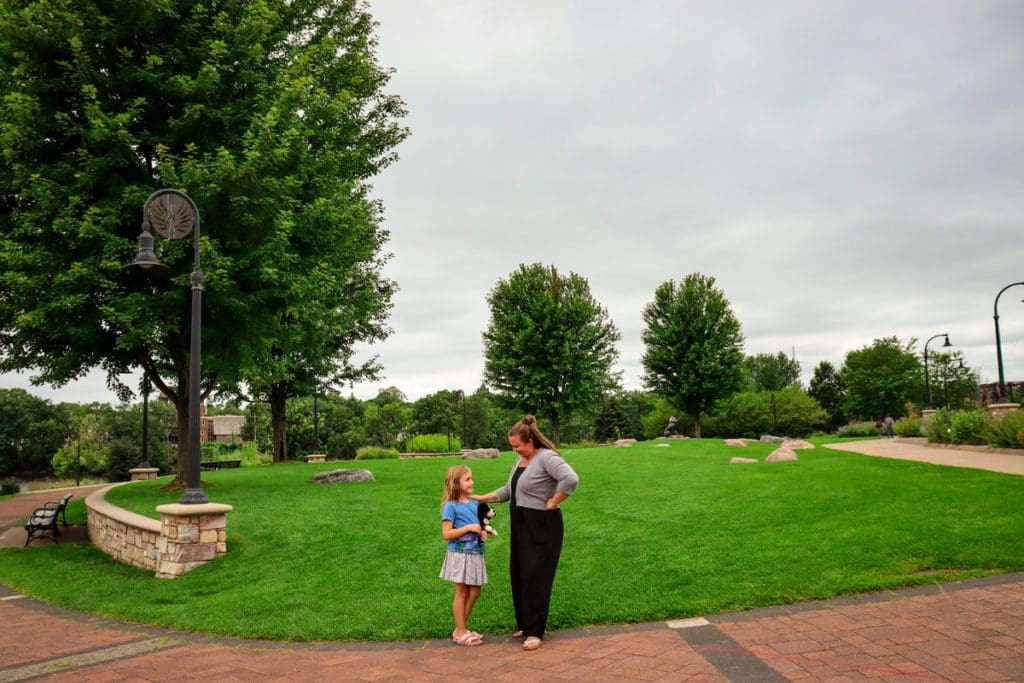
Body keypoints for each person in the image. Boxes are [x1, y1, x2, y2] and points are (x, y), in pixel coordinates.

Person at [473, 415, 579, 651]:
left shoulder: (546, 457)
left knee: (536, 575)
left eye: (517, 445)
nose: (514, 450)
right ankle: (526, 624)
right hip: (521, 522)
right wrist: (481, 498)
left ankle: (536, 632)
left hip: (542, 524)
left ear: (530, 440)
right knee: (519, 572)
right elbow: (509, 490)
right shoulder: (521, 460)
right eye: (512, 446)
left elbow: (570, 478)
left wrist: (553, 501)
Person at [440, 465, 487, 647]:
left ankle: (461, 629)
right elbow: (446, 534)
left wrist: (482, 533)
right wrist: (468, 528)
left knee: (476, 590)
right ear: (455, 483)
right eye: (467, 479)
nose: (472, 482)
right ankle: (460, 631)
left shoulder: (475, 505)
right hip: (460, 554)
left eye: (471, 478)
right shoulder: (450, 506)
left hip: (475, 554)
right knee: (462, 591)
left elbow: (478, 526)